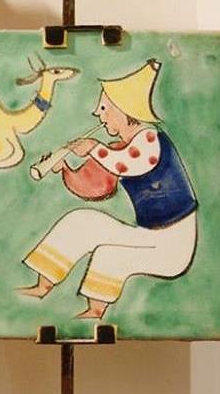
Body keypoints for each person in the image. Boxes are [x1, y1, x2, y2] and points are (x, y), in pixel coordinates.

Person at [18, 60, 198, 319]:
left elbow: (130, 162)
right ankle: (42, 286)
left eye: (104, 107)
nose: (97, 113)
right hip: (147, 235)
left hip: (172, 244)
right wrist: (65, 167)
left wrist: (93, 148)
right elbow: (95, 187)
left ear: (125, 110)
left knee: (110, 255)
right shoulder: (118, 148)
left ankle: (94, 312)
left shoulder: (150, 139)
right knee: (80, 221)